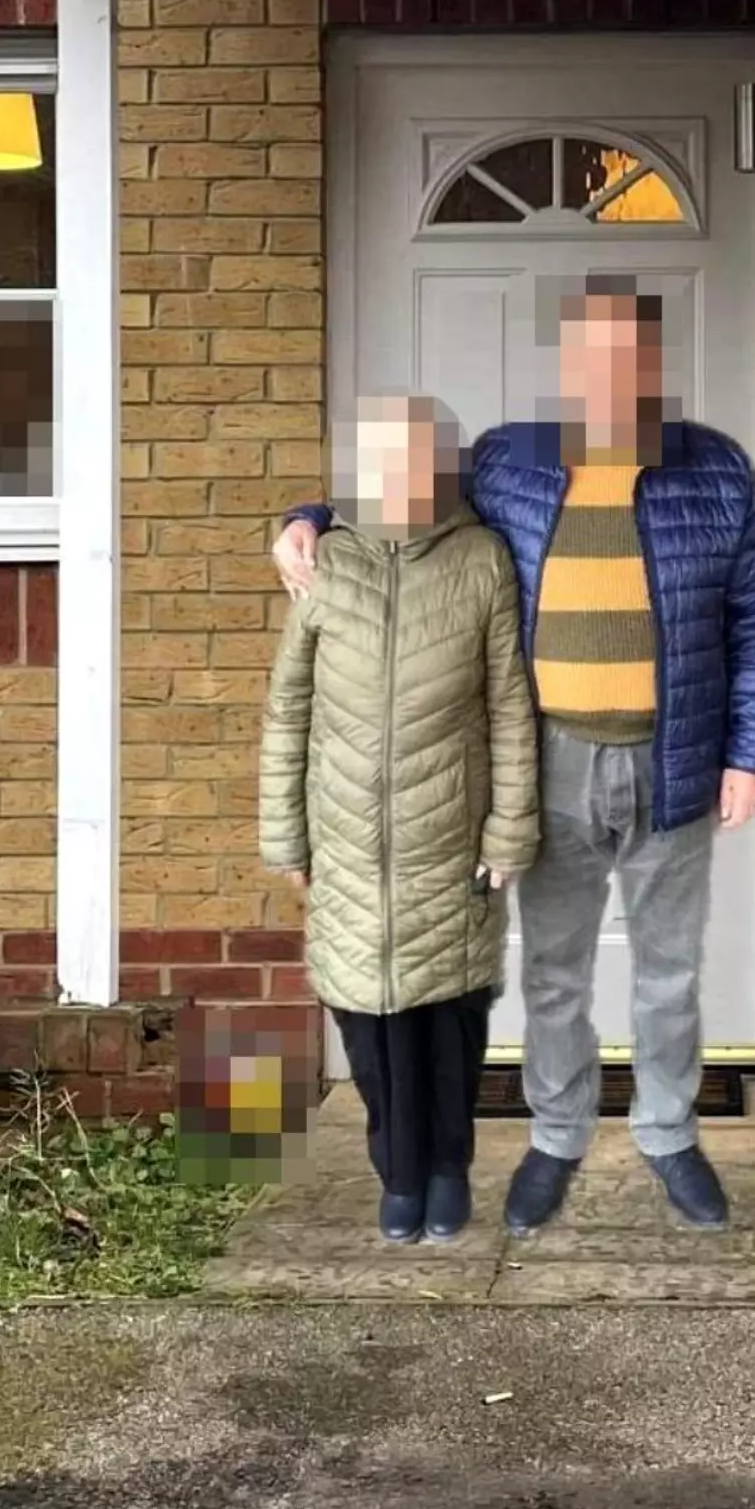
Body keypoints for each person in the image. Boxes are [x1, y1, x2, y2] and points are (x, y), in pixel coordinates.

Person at [271, 279, 755, 1234]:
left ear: (653, 366)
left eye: (627, 356)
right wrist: (310, 515)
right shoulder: (510, 461)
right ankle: (555, 1136)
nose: (608, 374)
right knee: (553, 969)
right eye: (589, 356)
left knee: (670, 969)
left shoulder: (714, 469)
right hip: (548, 760)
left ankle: (670, 1136)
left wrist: (750, 751)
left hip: (675, 758)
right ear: (564, 366)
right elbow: (401, 498)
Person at [259, 394, 539, 1246]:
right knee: (366, 1018)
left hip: (446, 834)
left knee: (446, 1018)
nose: (401, 474)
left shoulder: (482, 558)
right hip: (344, 838)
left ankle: (448, 1169)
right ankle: (398, 1173)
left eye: (417, 457)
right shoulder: (323, 565)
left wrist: (509, 829)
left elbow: (509, 708)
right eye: (383, 458)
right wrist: (285, 837)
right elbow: (288, 711)